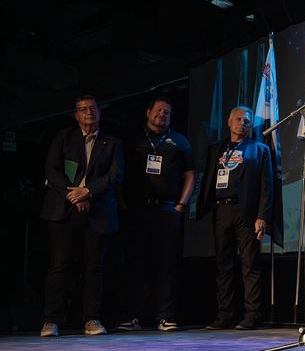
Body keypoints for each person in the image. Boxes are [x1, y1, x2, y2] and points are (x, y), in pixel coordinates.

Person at [39, 95, 125, 337]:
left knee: (94, 268)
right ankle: (51, 320)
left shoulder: (112, 142)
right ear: (76, 115)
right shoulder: (63, 137)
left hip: (98, 211)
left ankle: (92, 319)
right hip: (64, 211)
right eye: (83, 109)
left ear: (100, 113)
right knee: (59, 265)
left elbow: (115, 176)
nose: (89, 112)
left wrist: (87, 192)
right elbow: (52, 170)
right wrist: (74, 195)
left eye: (93, 108)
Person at [116, 96, 194, 332]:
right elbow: (118, 173)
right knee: (135, 264)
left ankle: (166, 316)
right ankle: (133, 316)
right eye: (159, 110)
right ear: (148, 112)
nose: (162, 114)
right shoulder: (133, 140)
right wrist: (121, 201)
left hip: (167, 209)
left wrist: (181, 205)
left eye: (167, 112)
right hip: (137, 209)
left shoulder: (180, 141)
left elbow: (190, 174)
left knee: (166, 265)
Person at [197, 106, 274, 330]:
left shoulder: (259, 150)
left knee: (249, 265)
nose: (243, 123)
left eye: (247, 121)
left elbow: (266, 187)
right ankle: (224, 315)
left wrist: (262, 215)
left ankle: (251, 316)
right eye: (238, 119)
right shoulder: (216, 149)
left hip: (246, 212)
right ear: (229, 122)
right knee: (224, 265)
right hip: (222, 211)